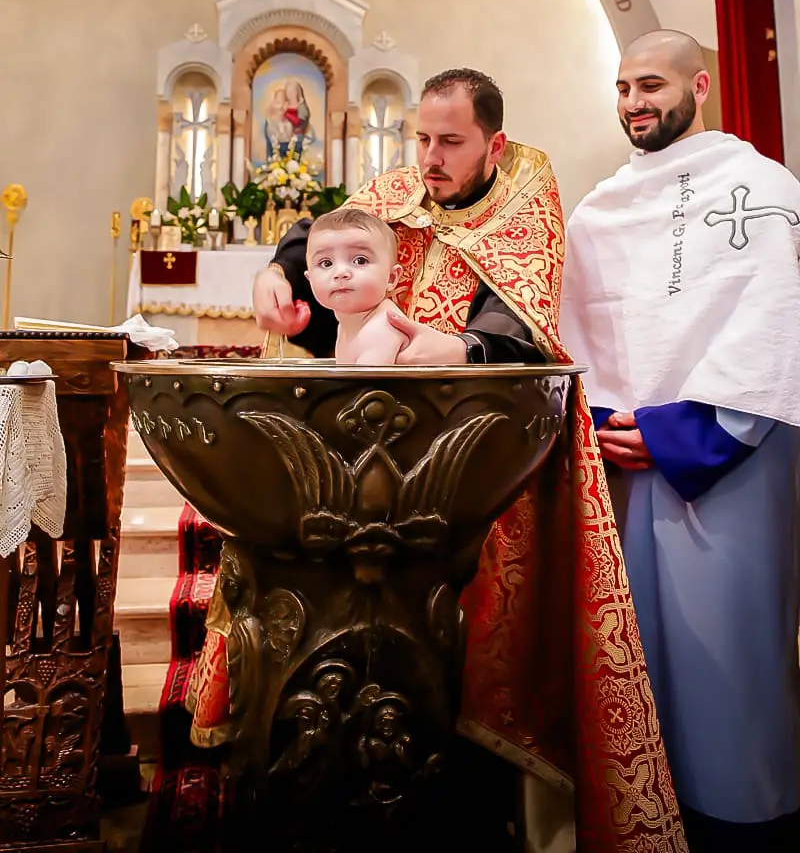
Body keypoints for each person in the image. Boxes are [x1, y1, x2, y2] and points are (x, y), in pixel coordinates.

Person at [189, 68, 686, 851]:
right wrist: (277, 272)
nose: (428, 157)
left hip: (474, 461)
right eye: (420, 137)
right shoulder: (396, 189)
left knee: (467, 655)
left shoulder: (526, 198)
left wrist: (460, 348)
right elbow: (326, 231)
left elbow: (522, 318)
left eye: (450, 142)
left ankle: (461, 803)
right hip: (359, 443)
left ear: (493, 143)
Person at [559, 29, 800, 853]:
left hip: (728, 461)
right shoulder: (599, 208)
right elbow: (580, 326)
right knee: (638, 664)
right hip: (624, 466)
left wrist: (683, 434)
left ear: (699, 87)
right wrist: (604, 425)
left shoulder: (758, 186)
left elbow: (774, 320)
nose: (634, 102)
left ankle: (743, 824)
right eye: (624, 87)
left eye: (652, 85)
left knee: (729, 665)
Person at [304, 208, 408, 365]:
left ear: (391, 277)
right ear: (309, 279)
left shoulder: (382, 328)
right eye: (326, 263)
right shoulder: (349, 324)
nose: (340, 272)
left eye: (360, 260)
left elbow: (364, 381)